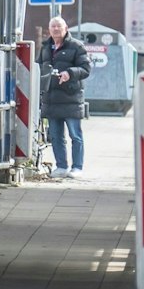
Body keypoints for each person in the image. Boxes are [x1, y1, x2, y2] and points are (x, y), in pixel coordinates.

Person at [37, 16, 91, 178]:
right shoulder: (46, 47)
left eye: (58, 26)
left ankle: (77, 167)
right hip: (52, 99)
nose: (55, 29)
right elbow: (38, 67)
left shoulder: (76, 46)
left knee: (75, 135)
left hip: (71, 98)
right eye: (53, 26)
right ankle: (61, 166)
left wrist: (70, 73)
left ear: (66, 28)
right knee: (55, 135)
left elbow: (86, 69)